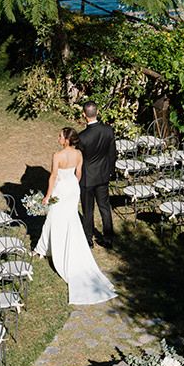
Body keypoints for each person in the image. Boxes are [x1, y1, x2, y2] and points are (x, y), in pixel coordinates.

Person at [34, 128, 116, 306]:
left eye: (60, 136)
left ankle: (46, 249)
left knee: (54, 217)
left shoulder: (57, 155)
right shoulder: (79, 154)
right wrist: (72, 185)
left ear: (66, 140)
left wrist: (47, 195)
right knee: (69, 218)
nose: (58, 138)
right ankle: (43, 248)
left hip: (62, 188)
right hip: (73, 187)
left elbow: (53, 177)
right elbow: (78, 173)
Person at [76, 99, 117, 250]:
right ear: (97, 112)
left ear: (84, 115)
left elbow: (78, 160)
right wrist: (110, 171)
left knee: (88, 210)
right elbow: (112, 154)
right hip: (103, 175)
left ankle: (88, 239)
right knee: (105, 207)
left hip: (87, 178)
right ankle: (108, 238)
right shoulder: (108, 130)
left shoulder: (82, 137)